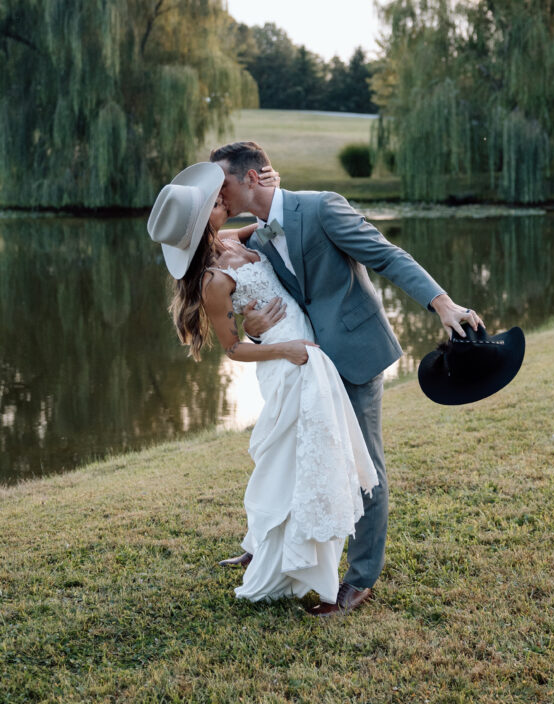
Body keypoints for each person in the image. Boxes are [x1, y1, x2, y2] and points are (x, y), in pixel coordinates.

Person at [208, 140, 483, 617]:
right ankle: (267, 548)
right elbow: (241, 285)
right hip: (304, 364)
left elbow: (387, 255)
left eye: (222, 183)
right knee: (294, 455)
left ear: (250, 178)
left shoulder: (322, 207)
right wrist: (253, 328)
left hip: (354, 353)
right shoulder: (250, 238)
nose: (218, 193)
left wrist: (443, 303)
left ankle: (358, 580)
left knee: (363, 467)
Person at [148, 162, 378, 608]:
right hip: (288, 361)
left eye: (218, 198)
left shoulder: (236, 239)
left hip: (309, 353)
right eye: (214, 205)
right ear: (201, 228)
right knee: (293, 460)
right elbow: (232, 349)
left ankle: (275, 550)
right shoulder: (213, 280)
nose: (223, 201)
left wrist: (270, 185)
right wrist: (283, 349)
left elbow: (277, 222)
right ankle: (290, 559)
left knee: (307, 458)